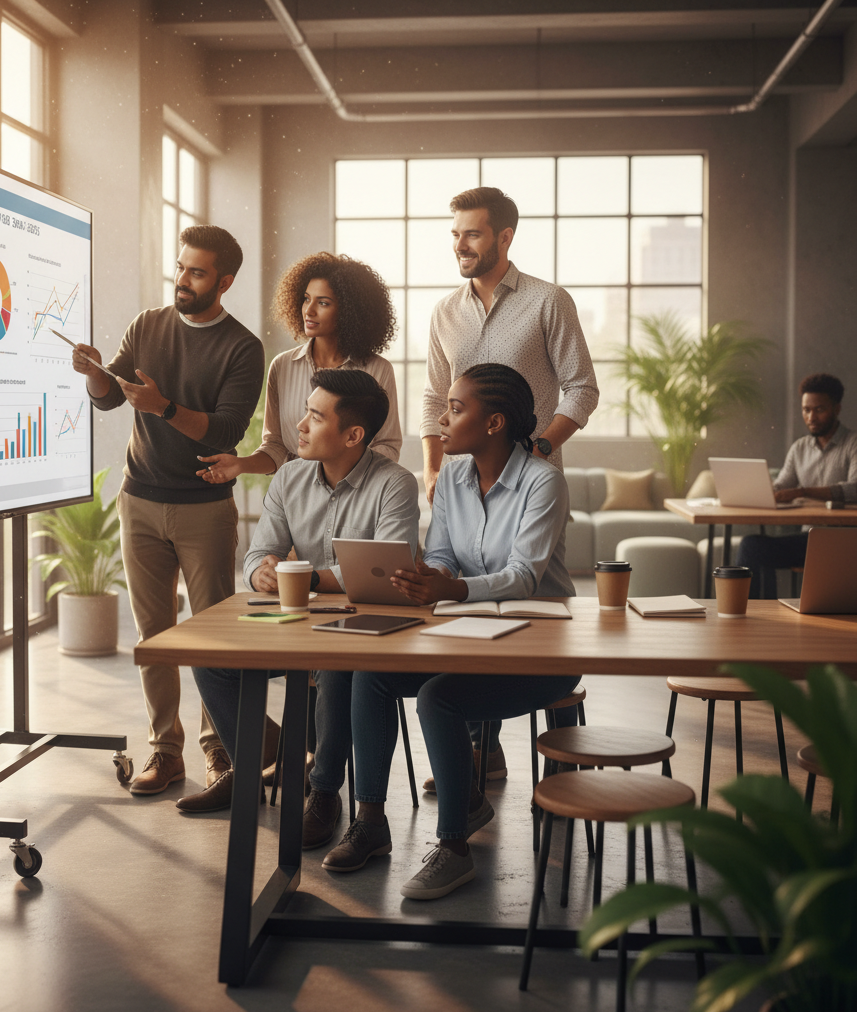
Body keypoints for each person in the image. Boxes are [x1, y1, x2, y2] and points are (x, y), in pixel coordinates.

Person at [322, 363, 580, 900]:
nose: (442, 419)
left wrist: (454, 589)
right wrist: (425, 578)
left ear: (494, 423)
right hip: (467, 634)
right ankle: (370, 822)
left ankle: (455, 847)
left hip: (540, 648)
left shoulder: (543, 480)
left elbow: (524, 576)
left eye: (457, 409)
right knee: (372, 670)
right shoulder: (452, 479)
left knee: (440, 697)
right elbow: (440, 555)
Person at [183, 369, 420, 851]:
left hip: (362, 631)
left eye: (315, 415)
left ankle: (324, 793)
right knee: (209, 658)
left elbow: (387, 567)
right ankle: (255, 764)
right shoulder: (289, 477)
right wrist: (261, 574)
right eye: (305, 411)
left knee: (335, 666)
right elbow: (257, 554)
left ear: (353, 435)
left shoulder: (394, 484)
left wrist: (307, 575)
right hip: (297, 625)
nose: (301, 424)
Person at [73, 225, 264, 796]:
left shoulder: (243, 348)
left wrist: (163, 407)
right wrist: (93, 376)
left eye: (197, 272)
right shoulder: (148, 324)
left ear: (224, 282)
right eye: (180, 268)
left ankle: (221, 750)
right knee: (154, 634)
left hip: (204, 505)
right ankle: (165, 751)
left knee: (213, 637)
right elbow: (113, 396)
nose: (183, 279)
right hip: (141, 497)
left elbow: (227, 429)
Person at [420, 185, 598, 780]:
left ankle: (560, 758)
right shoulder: (445, 311)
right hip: (463, 475)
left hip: (532, 482)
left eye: (471, 233)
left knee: (530, 594)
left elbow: (582, 387)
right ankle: (477, 748)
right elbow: (432, 394)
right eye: (454, 235)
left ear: (504, 237)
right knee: (466, 580)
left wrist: (540, 448)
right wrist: (434, 464)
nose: (459, 245)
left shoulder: (548, 301)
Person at [195, 251, 402, 485]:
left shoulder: (377, 370)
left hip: (358, 494)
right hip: (295, 494)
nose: (309, 310)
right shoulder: (282, 366)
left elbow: (387, 447)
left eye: (323, 303)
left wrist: (343, 479)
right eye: (306, 298)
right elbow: (275, 447)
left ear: (350, 312)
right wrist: (241, 465)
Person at [737, 373, 857, 598]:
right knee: (751, 547)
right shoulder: (799, 448)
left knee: (752, 547)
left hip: (846, 543)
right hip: (810, 542)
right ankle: (758, 617)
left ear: (837, 408)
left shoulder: (853, 444)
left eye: (819, 409)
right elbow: (782, 485)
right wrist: (761, 490)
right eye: (806, 410)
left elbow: (855, 489)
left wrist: (803, 491)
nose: (811, 417)